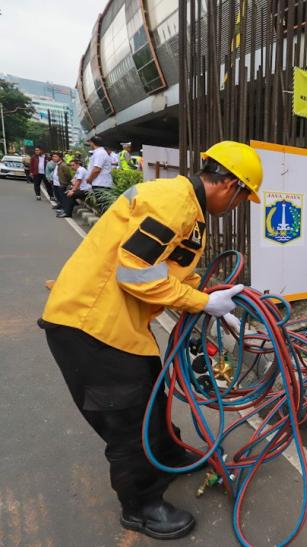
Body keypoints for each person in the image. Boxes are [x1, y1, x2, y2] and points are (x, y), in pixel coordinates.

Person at [40, 141, 263, 540]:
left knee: (151, 399)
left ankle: (167, 453)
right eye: (244, 197)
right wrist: (201, 302)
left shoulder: (189, 210)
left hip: (121, 327)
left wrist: (211, 298)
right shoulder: (173, 204)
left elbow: (169, 269)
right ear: (230, 185)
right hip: (90, 325)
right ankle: (140, 506)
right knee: (127, 420)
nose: (239, 204)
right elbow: (136, 274)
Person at [86, 136, 114, 202]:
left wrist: (89, 179)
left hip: (101, 184)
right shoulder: (99, 152)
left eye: (90, 143)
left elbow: (97, 169)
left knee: (102, 207)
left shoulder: (100, 153)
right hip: (99, 183)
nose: (90, 144)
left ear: (92, 143)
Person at [49, 152, 72, 216]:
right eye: (53, 157)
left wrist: (65, 183)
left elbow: (68, 175)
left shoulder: (63, 165)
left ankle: (64, 210)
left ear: (60, 158)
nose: (53, 158)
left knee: (63, 198)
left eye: (55, 157)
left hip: (61, 184)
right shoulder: (57, 164)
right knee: (59, 197)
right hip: (56, 184)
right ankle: (62, 208)